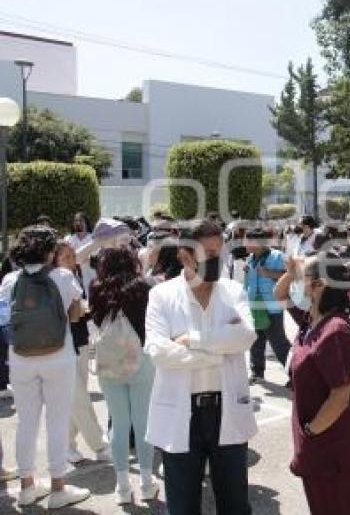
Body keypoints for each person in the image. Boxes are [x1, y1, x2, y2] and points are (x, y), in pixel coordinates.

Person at [144, 219, 257, 515]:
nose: (217, 259)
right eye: (209, 252)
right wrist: (216, 353)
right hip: (181, 412)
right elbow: (158, 351)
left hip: (227, 408)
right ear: (185, 255)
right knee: (182, 506)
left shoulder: (233, 292)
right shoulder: (161, 295)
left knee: (235, 504)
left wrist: (191, 340)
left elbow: (246, 336)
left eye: (220, 250)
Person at [0, 226, 91, 508]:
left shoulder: (10, 280)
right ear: (50, 251)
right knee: (57, 421)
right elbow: (76, 315)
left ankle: (27, 487)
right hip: (58, 357)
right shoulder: (62, 276)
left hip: (20, 357)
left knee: (26, 421)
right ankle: (57, 488)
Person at [275, 250, 350, 514]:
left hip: (328, 447)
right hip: (315, 445)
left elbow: (340, 395)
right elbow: (280, 295)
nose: (298, 281)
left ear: (319, 285)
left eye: (304, 276)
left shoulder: (335, 330)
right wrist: (291, 274)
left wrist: (309, 433)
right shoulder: (311, 319)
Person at [89, 247, 158, 504]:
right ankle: (147, 483)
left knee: (118, 424)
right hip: (141, 359)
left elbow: (95, 321)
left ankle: (122, 487)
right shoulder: (145, 286)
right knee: (142, 423)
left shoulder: (96, 288)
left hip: (109, 362)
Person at [52, 241, 111, 465]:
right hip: (66, 345)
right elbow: (76, 315)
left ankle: (66, 445)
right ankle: (100, 445)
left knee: (75, 398)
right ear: (54, 260)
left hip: (77, 342)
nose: (70, 260)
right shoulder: (63, 278)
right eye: (65, 257)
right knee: (80, 399)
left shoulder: (68, 276)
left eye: (71, 256)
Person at [244, 228, 290, 385]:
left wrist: (270, 273)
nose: (246, 244)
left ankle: (296, 374)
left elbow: (290, 275)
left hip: (272, 307)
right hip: (254, 307)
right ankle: (257, 373)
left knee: (279, 343)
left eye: (250, 241)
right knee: (255, 342)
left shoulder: (277, 256)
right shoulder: (250, 259)